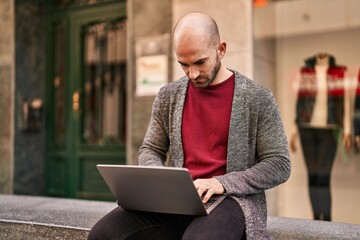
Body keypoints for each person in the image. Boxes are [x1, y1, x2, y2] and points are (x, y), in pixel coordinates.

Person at [88, 12, 291, 240]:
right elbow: (150, 149)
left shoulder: (257, 98)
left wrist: (220, 183)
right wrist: (158, 180)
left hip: (231, 199)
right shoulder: (169, 96)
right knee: (103, 234)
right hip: (176, 201)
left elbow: (279, 164)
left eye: (200, 63)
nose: (192, 74)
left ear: (221, 49)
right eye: (183, 64)